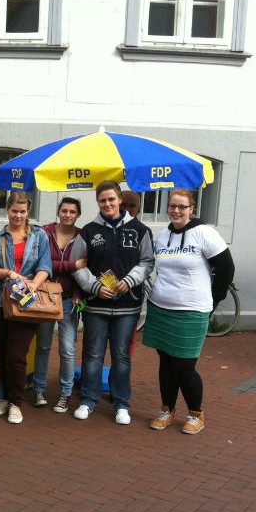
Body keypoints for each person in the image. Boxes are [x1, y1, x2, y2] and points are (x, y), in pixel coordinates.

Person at [143, 189, 234, 435]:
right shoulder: (163, 236)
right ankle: (167, 410)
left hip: (191, 312)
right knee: (165, 363)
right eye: (172, 206)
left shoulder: (204, 233)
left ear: (191, 208)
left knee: (184, 365)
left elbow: (226, 269)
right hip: (161, 308)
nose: (176, 210)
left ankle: (196, 414)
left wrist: (212, 303)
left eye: (182, 206)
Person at [70, 180, 154, 425]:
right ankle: (88, 400)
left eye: (111, 199)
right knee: (93, 356)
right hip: (96, 306)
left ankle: (121, 404)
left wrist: (130, 280)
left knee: (121, 358)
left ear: (119, 200)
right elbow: (78, 265)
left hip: (128, 307)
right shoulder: (88, 231)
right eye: (102, 200)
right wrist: (94, 286)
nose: (107, 204)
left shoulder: (140, 230)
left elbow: (147, 262)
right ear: (98, 202)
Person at [0, 191, 52, 425]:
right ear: (7, 211)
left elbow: (45, 266)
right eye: (14, 211)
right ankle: (4, 397)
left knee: (16, 355)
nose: (18, 215)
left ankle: (15, 403)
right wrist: (9, 273)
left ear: (27, 212)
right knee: (1, 353)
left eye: (22, 211)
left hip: (26, 303)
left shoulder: (39, 236)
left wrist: (34, 283)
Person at [31, 197, 86, 413]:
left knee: (67, 349)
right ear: (58, 212)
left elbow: (84, 269)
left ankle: (65, 393)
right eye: (64, 211)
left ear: (78, 214)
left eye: (72, 212)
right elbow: (40, 263)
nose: (67, 215)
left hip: (68, 299)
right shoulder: (44, 233)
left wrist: (78, 292)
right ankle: (39, 389)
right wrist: (70, 265)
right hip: (44, 296)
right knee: (43, 346)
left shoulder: (82, 236)